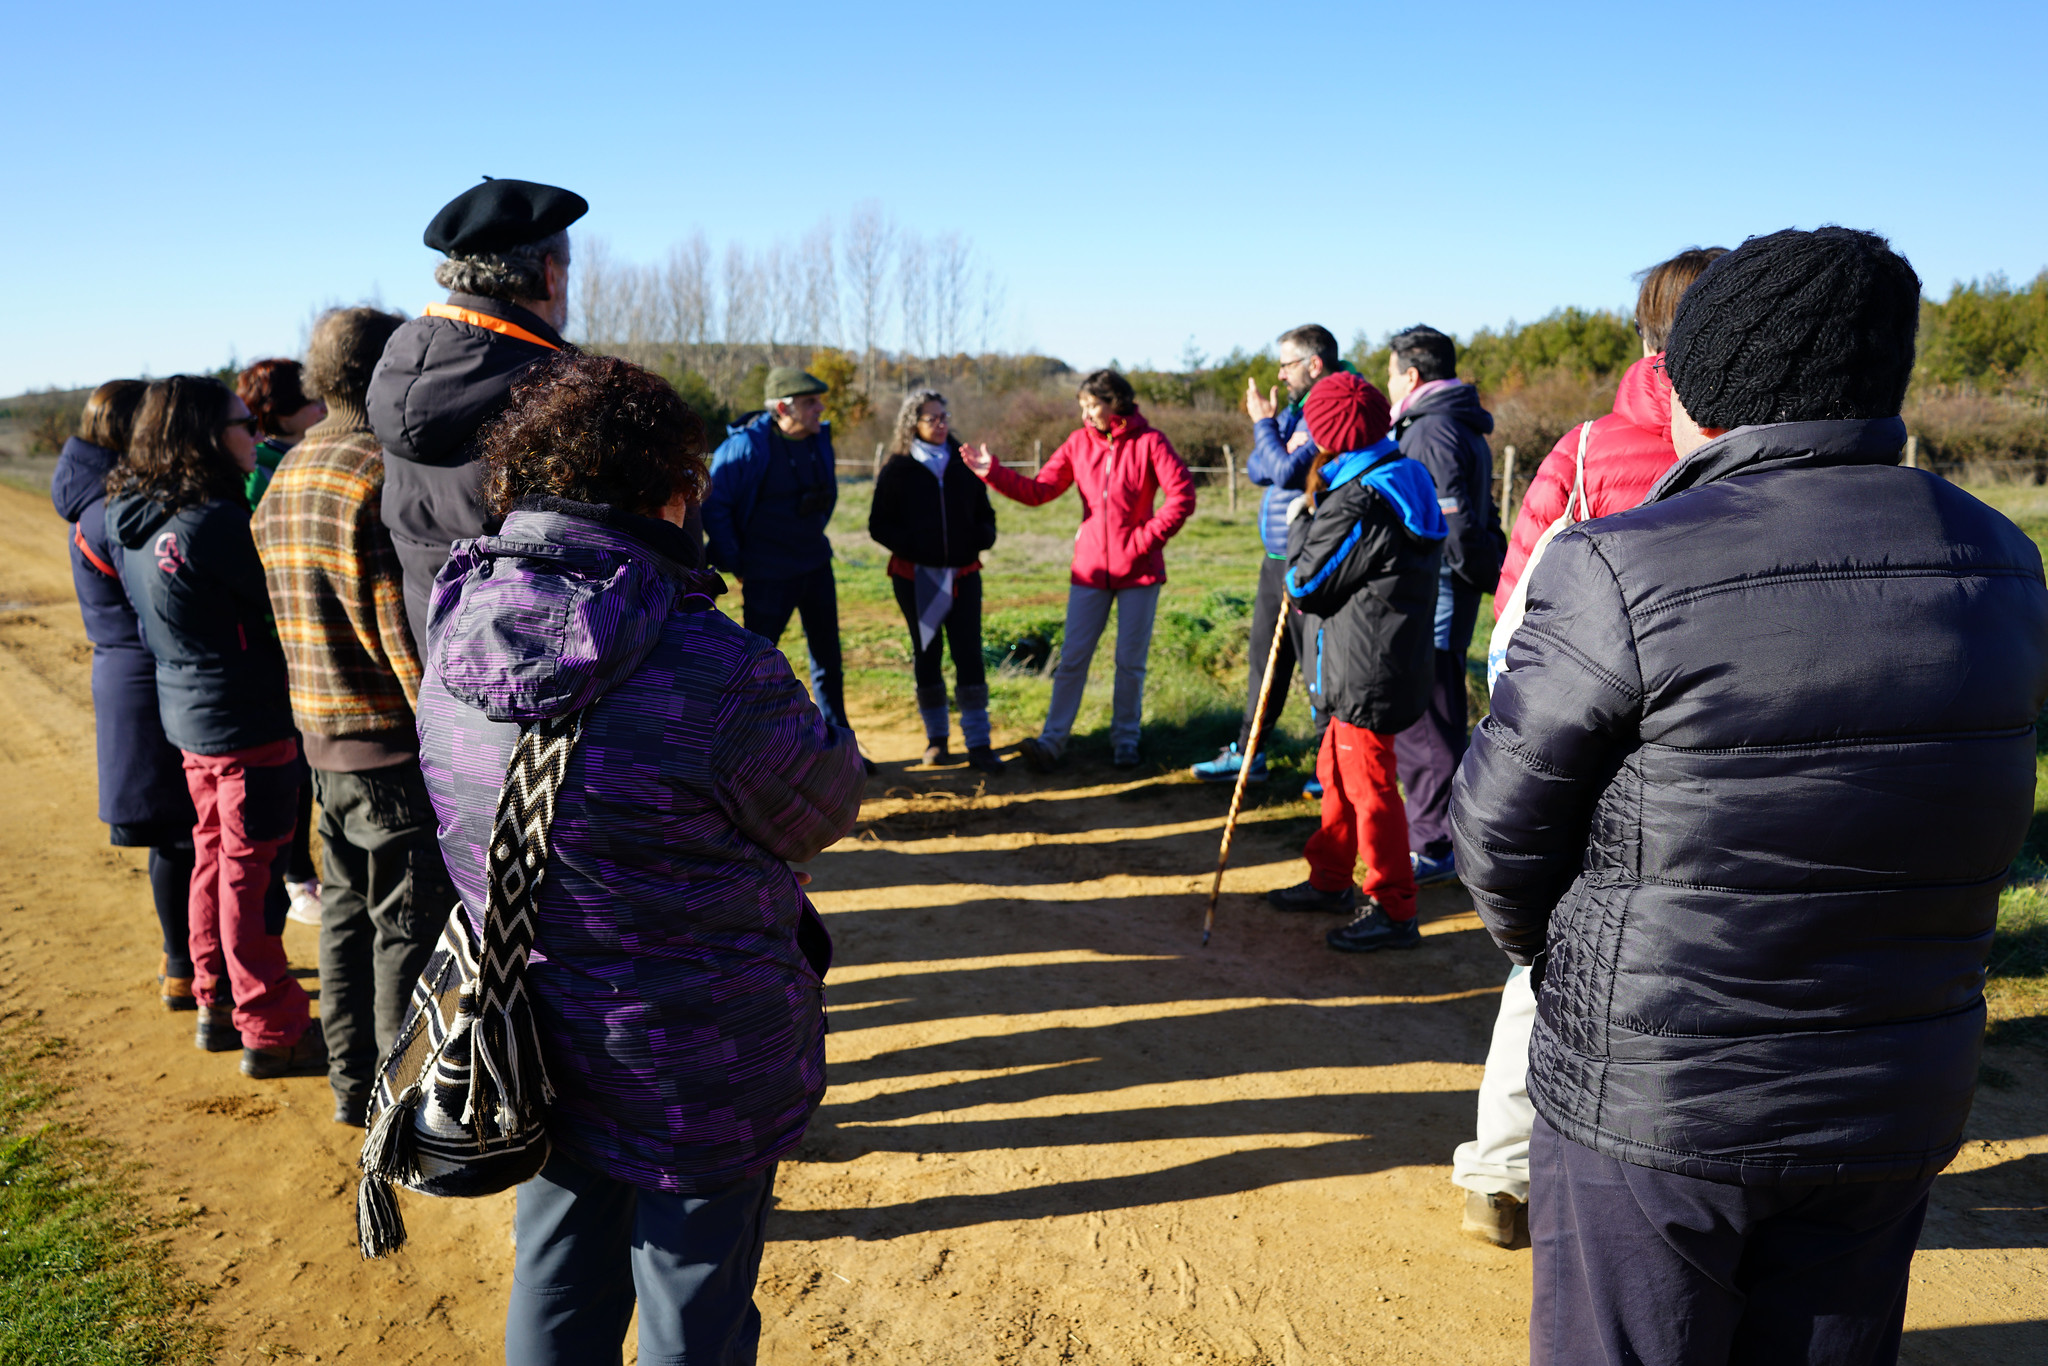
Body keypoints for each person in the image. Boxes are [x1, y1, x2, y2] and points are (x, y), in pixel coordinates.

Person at [1453, 227, 2048, 1365]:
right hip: (1890, 1095)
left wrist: (1565, 965)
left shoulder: (1617, 565)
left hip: (1655, 1099)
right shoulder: (2000, 562)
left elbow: (1494, 837)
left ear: (1699, 385)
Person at [414, 353, 863, 1363]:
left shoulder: (453, 636)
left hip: (530, 1031)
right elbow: (823, 804)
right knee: (692, 1308)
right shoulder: (717, 667)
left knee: (559, 1274)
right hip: (702, 1053)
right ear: (671, 492)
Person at [1451, 245, 1727, 1248]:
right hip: (1716, 759)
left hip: (1588, 745)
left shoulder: (1579, 451)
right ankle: (1671, 1193)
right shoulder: (1776, 453)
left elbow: (1513, 615)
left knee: (1549, 956)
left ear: (1642, 336)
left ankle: (1500, 1173)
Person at [251, 307, 447, 1129]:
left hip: (319, 742)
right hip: (386, 745)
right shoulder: (379, 471)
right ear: (391, 368)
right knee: (403, 928)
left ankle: (350, 1086)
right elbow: (394, 626)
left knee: (341, 919)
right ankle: (398, 1101)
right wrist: (447, 732)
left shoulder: (292, 469)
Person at [105, 375, 326, 1079]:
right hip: (246, 719)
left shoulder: (129, 514)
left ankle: (216, 1000)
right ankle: (270, 1025)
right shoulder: (215, 524)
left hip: (189, 714)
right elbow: (279, 606)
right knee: (245, 873)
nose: (253, 438)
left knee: (214, 859)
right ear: (205, 437)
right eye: (240, 424)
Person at [1265, 372, 1445, 952]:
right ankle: (1330, 879)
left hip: (1362, 669)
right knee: (1335, 777)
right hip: (1381, 658)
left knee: (1370, 790)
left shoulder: (1361, 498)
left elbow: (1304, 582)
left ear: (1327, 434)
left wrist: (1299, 525)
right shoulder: (1406, 473)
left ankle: (1395, 907)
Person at [368, 176, 588, 649]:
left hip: (446, 691)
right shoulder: (570, 390)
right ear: (551, 273)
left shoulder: (396, 365)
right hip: (553, 690)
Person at [960, 369, 1195, 770]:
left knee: (1129, 662)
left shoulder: (1151, 442)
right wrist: (992, 472)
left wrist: (1142, 540)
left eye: (1092, 405)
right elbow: (1040, 491)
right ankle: (1052, 743)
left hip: (1140, 573)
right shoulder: (1077, 444)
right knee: (1072, 658)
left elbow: (1182, 496)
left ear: (1115, 402)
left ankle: (1125, 741)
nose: (1086, 415)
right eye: (1082, 406)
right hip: (1089, 573)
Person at [51, 379, 200, 1011]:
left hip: (126, 676)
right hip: (148, 679)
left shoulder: (95, 498)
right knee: (179, 833)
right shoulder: (108, 510)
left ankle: (187, 964)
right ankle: (183, 964)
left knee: (181, 832)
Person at [1191, 324, 1337, 792]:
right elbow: (1262, 468)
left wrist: (1264, 430)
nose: (1280, 374)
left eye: (1286, 364)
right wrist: (1273, 435)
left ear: (1313, 364)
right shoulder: (1295, 412)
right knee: (1264, 662)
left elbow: (1285, 469)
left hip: (1312, 557)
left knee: (1317, 665)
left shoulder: (1329, 409)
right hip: (1274, 555)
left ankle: (1328, 764)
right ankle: (1249, 753)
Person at [1383, 326, 1504, 887]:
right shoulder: (1453, 421)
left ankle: (1432, 842)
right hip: (1451, 585)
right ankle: (1440, 833)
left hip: (1436, 589)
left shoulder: (1430, 429)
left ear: (1410, 375)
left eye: (1389, 373)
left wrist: (1470, 571)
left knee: (1427, 715)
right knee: (1439, 706)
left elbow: (1452, 521)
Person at [703, 367, 868, 768]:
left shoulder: (819, 440)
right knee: (755, 665)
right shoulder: (746, 448)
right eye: (810, 402)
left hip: (815, 564)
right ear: (782, 407)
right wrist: (739, 562)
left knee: (828, 659)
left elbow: (825, 497)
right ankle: (749, 753)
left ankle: (841, 753)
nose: (820, 409)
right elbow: (715, 507)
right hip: (766, 571)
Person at [867, 389, 1002, 771]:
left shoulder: (964, 464)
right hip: (915, 576)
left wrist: (982, 537)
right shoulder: (897, 468)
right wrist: (916, 547)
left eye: (944, 417)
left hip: (963, 574)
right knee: (928, 654)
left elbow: (985, 515)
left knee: (969, 653)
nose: (941, 424)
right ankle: (937, 742)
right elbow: (878, 525)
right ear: (913, 424)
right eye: (932, 419)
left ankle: (979, 743)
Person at [240, 357, 329, 925]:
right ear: (284, 411)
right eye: (313, 399)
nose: (322, 408)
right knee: (294, 767)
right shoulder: (264, 471)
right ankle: (297, 876)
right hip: (281, 637)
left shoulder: (282, 459)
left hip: (291, 633)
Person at [238, 358, 326, 506]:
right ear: (281, 409)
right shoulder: (259, 475)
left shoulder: (314, 455)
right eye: (313, 401)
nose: (324, 408)